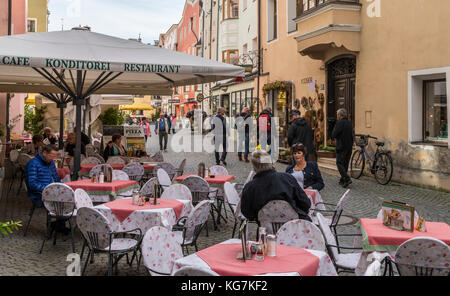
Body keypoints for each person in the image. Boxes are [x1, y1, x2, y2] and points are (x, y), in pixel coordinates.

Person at [241, 150, 311, 222]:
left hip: (267, 229)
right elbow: (305, 203)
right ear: (270, 163)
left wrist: (259, 217)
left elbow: (247, 212)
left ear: (254, 167)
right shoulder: (287, 178)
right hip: (293, 226)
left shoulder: (249, 187)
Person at [24, 145, 69, 234]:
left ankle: (57, 225)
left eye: (55, 156)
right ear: (44, 153)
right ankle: (57, 226)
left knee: (71, 199)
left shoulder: (51, 162)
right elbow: (32, 184)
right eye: (51, 156)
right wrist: (49, 189)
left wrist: (61, 187)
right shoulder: (33, 164)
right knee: (63, 202)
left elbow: (56, 178)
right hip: (38, 195)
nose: (53, 158)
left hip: (52, 193)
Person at [332, 108, 354, 188]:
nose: (337, 116)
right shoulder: (349, 123)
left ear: (339, 115)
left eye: (337, 115)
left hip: (341, 146)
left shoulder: (339, 123)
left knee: (339, 162)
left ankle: (347, 178)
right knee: (345, 163)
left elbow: (334, 134)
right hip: (349, 146)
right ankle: (343, 180)